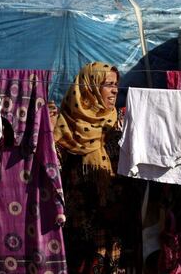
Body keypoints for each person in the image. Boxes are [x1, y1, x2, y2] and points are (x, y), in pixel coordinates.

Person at [52, 62, 142, 274]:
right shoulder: (64, 125)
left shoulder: (119, 122)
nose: (114, 90)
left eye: (116, 84)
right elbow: (52, 170)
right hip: (81, 225)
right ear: (89, 87)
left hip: (118, 222)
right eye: (108, 84)